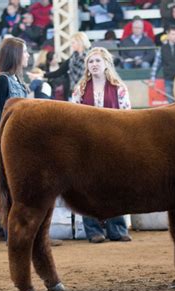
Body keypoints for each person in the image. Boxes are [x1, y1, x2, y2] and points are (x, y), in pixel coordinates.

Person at [71, 47, 132, 243]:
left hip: (113, 144)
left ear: (106, 64)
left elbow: (127, 116)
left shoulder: (119, 88)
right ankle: (93, 230)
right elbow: (74, 117)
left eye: (98, 61)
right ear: (87, 66)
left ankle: (117, 229)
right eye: (91, 62)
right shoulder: (80, 89)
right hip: (86, 146)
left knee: (116, 186)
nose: (94, 65)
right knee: (87, 187)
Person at [0, 37, 29, 157]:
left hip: (15, 141)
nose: (28, 55)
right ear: (15, 55)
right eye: (24, 52)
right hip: (4, 145)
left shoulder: (17, 80)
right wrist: (3, 143)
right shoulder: (2, 80)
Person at [44, 32, 91, 96]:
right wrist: (43, 75)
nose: (71, 45)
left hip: (87, 89)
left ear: (80, 42)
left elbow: (89, 74)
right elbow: (60, 71)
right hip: (73, 89)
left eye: (73, 42)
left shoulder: (90, 56)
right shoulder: (73, 56)